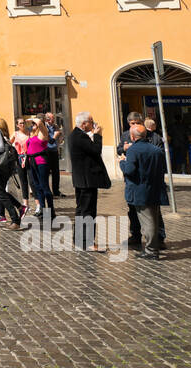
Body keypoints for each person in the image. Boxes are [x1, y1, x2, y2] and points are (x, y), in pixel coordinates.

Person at [119, 122, 168, 259]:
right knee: (154, 218)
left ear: (133, 137)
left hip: (140, 191)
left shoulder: (133, 150)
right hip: (155, 189)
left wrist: (122, 162)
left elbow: (129, 171)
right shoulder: (156, 150)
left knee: (148, 222)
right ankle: (154, 247)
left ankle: (151, 250)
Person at [67, 112, 111, 252]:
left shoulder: (74, 135)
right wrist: (98, 135)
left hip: (82, 179)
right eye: (91, 122)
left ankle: (79, 240)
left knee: (81, 210)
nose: (93, 124)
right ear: (84, 123)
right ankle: (87, 242)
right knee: (88, 211)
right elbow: (96, 150)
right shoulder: (80, 137)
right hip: (87, 180)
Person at [25, 117, 54, 220]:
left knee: (44, 186)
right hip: (31, 162)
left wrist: (32, 118)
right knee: (37, 187)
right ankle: (42, 209)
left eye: (33, 124)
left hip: (41, 162)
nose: (32, 125)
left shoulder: (43, 133)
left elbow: (40, 123)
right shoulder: (32, 135)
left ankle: (51, 211)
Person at [43, 111, 64, 197]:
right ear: (47, 119)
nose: (53, 120)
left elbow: (59, 138)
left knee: (56, 172)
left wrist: (57, 135)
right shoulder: (44, 127)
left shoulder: (55, 126)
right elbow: (49, 140)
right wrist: (55, 136)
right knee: (46, 172)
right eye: (51, 119)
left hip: (54, 151)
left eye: (53, 119)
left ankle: (56, 190)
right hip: (46, 152)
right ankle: (47, 192)